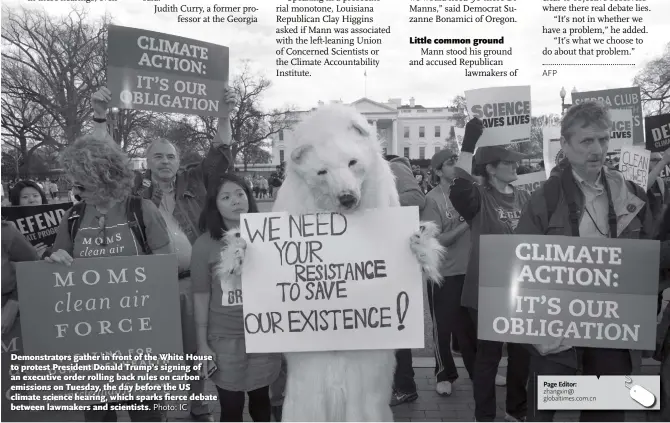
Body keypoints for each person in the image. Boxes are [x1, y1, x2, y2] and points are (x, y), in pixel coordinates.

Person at [89, 86, 235, 422]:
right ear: (147, 161)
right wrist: (100, 116)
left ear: (180, 162)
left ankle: (198, 402)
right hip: (148, 284)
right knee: (154, 349)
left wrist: (224, 113)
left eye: (170, 156)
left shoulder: (196, 182)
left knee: (196, 347)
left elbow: (221, 150)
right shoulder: (135, 189)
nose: (165, 162)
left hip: (193, 282)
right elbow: (105, 159)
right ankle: (159, 412)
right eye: (158, 156)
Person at [515, 101, 652, 422]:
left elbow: (649, 257)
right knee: (544, 413)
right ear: (565, 145)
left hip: (611, 328)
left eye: (603, 140)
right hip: (555, 332)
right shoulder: (545, 198)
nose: (598, 149)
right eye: (587, 141)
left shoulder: (630, 194)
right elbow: (519, 266)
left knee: (606, 413)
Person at [46, 130, 173, 422]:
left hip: (140, 335)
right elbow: (56, 265)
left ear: (105, 178)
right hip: (91, 337)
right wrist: (56, 259)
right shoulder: (74, 216)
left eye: (82, 183)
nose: (77, 191)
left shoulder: (142, 210)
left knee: (148, 415)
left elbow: (166, 266)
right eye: (74, 183)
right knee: (98, 416)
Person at [449, 118, 529, 422]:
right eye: (508, 162)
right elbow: (459, 188)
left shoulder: (524, 197)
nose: (515, 166)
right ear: (491, 168)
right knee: (489, 358)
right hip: (486, 291)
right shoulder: (479, 198)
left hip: (520, 290)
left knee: (522, 355)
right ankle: (484, 416)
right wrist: (469, 144)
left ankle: (515, 409)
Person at [191, 173, 281, 422]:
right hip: (224, 338)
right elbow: (200, 295)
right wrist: (203, 344)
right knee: (231, 408)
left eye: (241, 194)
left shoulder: (271, 235)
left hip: (264, 334)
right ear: (215, 204)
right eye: (226, 196)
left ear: (249, 198)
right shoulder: (204, 245)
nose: (235, 201)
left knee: (261, 403)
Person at [420, 148, 477, 396]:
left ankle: (478, 371)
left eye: (457, 161)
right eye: (451, 162)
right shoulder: (431, 199)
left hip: (471, 270)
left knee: (472, 328)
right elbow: (438, 240)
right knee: (443, 327)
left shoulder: (469, 193)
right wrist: (466, 223)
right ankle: (444, 374)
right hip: (443, 273)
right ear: (438, 170)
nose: (456, 165)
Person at [386, 153, 426, 406]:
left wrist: (374, 205)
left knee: (394, 323)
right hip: (368, 261)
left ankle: (405, 385)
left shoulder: (393, 166)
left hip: (392, 260)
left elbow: (416, 199)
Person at [9, 180, 52, 257]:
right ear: (16, 200)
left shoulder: (57, 216)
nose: (31, 200)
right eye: (25, 197)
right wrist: (28, 254)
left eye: (35, 196)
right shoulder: (8, 225)